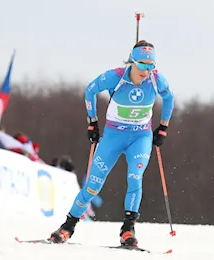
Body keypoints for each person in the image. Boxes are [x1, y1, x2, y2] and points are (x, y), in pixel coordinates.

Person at [49, 40, 174, 246]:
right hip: (113, 137)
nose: (146, 71)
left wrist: (163, 127)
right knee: (93, 186)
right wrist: (92, 122)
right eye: (142, 65)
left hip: (140, 137)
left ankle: (128, 230)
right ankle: (67, 227)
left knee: (135, 178)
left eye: (151, 66)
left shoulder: (156, 80)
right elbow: (90, 90)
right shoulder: (115, 77)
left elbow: (169, 98)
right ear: (132, 62)